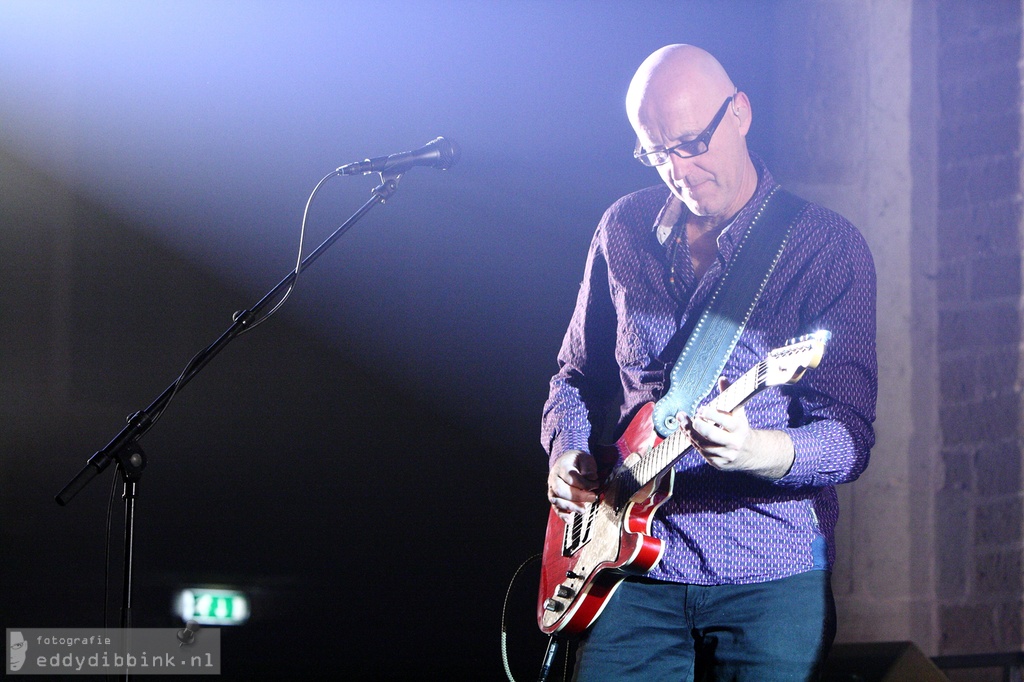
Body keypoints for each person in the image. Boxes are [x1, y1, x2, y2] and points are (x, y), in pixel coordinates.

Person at [541, 44, 877, 680]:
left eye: (693, 143)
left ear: (741, 113)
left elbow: (850, 439)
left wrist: (758, 450)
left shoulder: (827, 248)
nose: (678, 170)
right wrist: (567, 452)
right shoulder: (621, 230)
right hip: (621, 573)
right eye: (655, 152)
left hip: (766, 578)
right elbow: (574, 379)